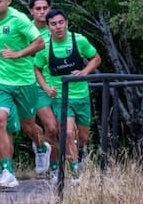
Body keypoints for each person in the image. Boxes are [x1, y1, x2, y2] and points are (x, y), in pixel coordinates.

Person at [0, 0, 45, 189]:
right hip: (0, 81)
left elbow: (40, 42)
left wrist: (18, 54)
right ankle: (7, 171)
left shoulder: (19, 19)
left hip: (25, 81)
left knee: (28, 126)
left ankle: (42, 147)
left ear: (9, 1)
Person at [34, 9, 101, 183]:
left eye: (61, 22)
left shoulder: (79, 40)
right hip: (61, 97)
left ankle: (81, 152)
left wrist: (85, 72)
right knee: (68, 133)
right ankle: (74, 172)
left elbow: (96, 58)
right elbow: (37, 69)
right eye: (53, 24)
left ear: (66, 23)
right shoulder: (44, 46)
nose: (58, 27)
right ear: (48, 27)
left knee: (83, 136)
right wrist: (46, 87)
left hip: (82, 95)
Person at [27, 0, 58, 176]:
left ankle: (54, 168)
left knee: (54, 128)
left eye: (45, 8)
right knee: (27, 125)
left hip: (55, 85)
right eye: (38, 8)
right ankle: (40, 146)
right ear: (31, 11)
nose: (42, 11)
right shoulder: (24, 29)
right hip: (31, 84)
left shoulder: (56, 28)